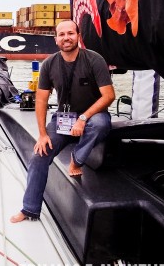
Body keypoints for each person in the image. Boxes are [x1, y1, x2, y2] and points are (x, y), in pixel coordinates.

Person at [10, 19, 115, 223]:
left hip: (93, 115)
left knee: (101, 124)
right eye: (62, 34)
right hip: (64, 117)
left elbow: (109, 96)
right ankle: (30, 209)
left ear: (78, 36)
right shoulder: (49, 64)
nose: (66, 38)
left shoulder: (94, 60)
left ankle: (77, 159)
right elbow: (41, 99)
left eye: (71, 33)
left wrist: (83, 118)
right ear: (56, 39)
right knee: (39, 155)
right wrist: (42, 135)